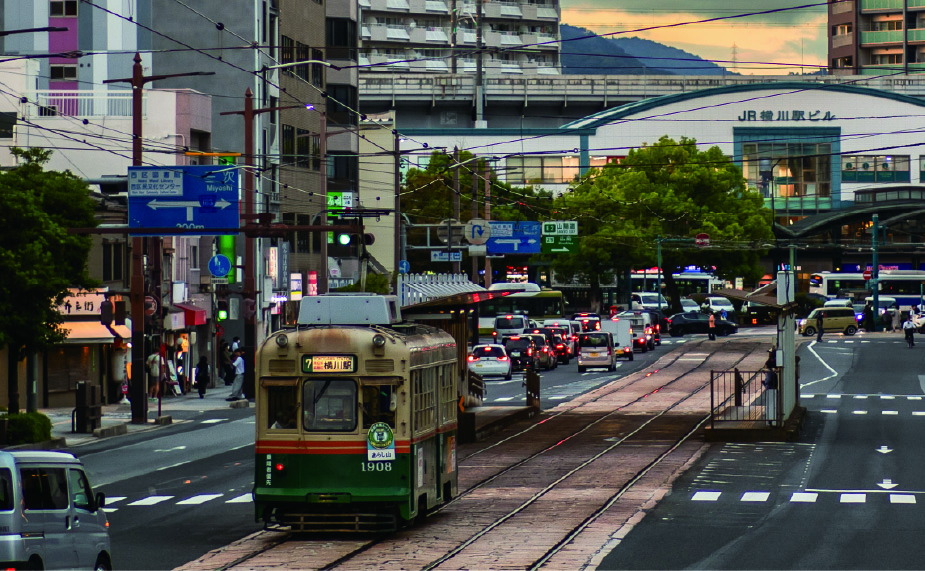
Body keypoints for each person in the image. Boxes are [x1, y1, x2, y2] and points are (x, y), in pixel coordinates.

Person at [763, 353, 779, 426]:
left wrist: (765, 383)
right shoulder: (773, 373)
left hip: (770, 389)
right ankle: (771, 419)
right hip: (773, 388)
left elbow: (768, 381)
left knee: (770, 404)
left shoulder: (770, 373)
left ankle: (770, 420)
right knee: (772, 403)